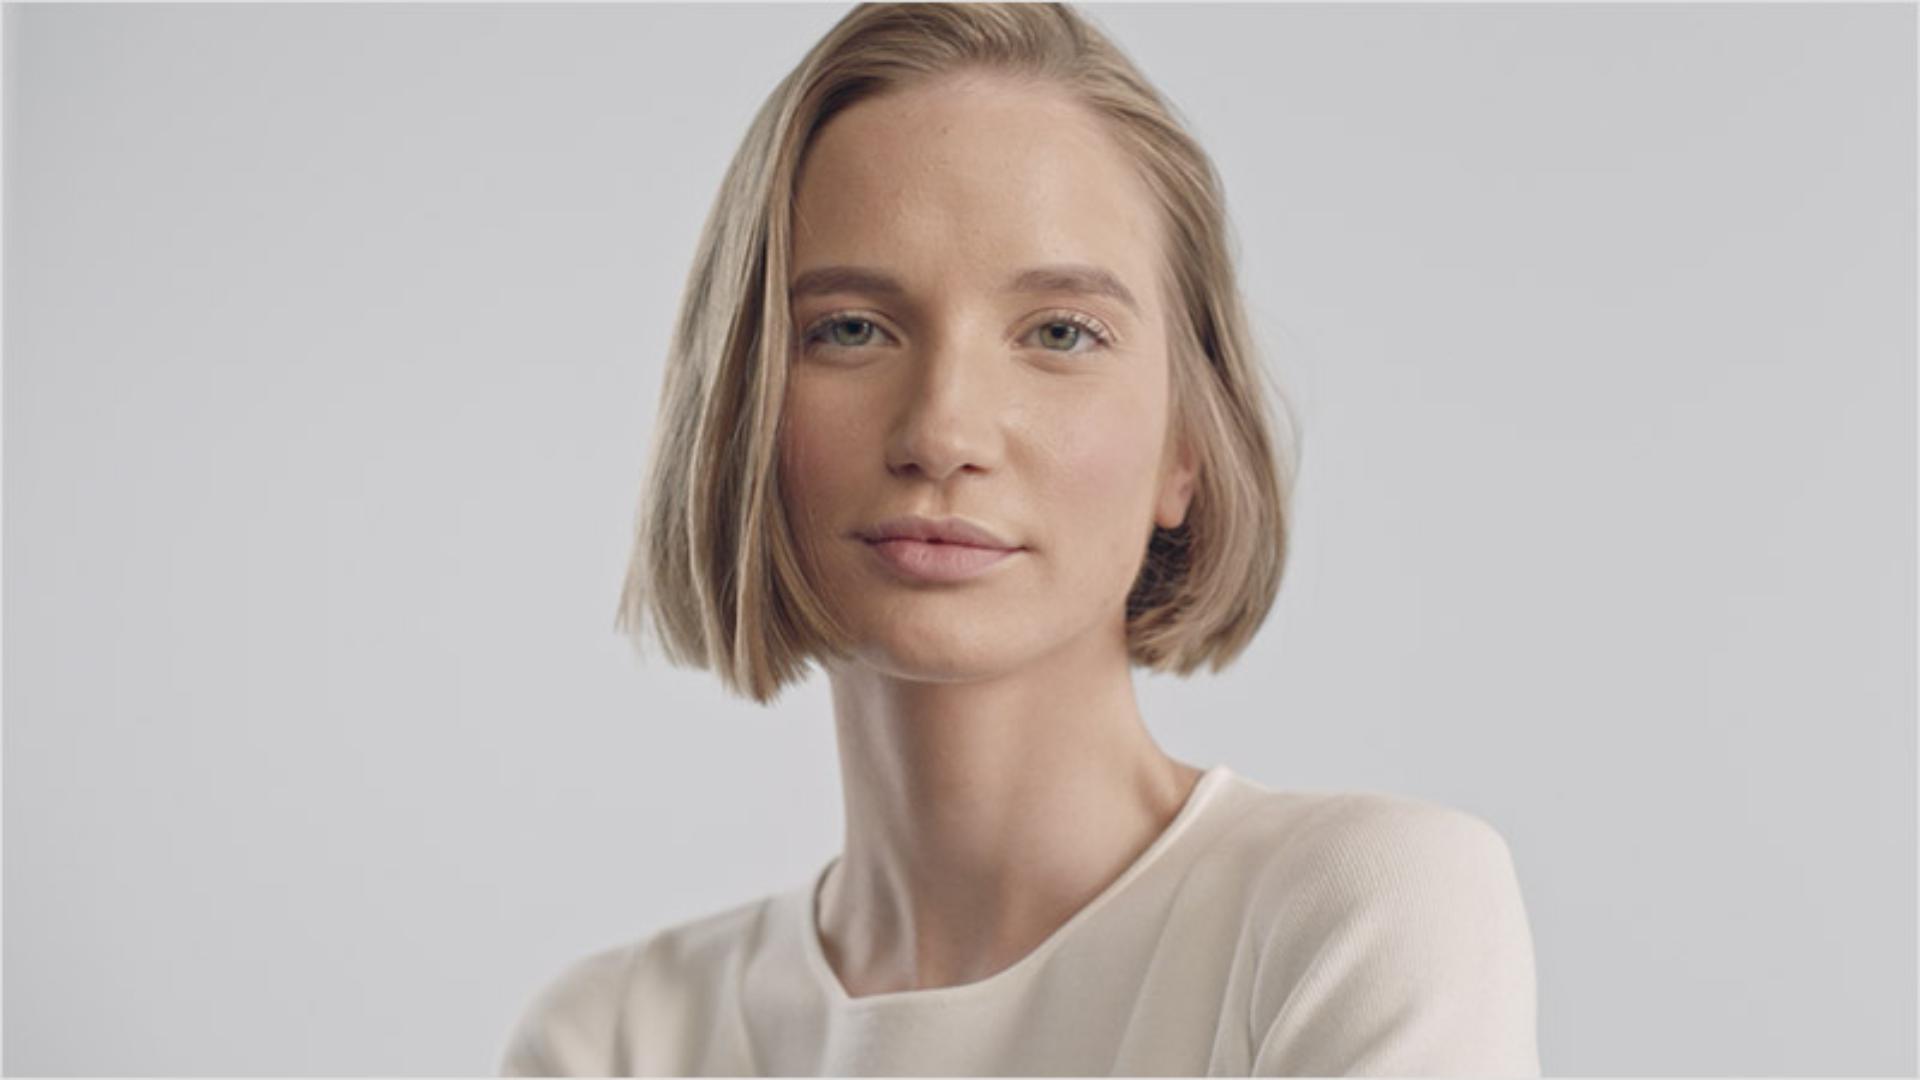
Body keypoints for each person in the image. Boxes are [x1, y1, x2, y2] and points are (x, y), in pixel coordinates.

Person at [501, 3, 1539, 1075]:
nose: (942, 432)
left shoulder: (1358, 911)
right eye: (850, 329)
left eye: (1060, 333)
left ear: (1187, 443)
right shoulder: (614, 1039)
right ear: (738, 412)